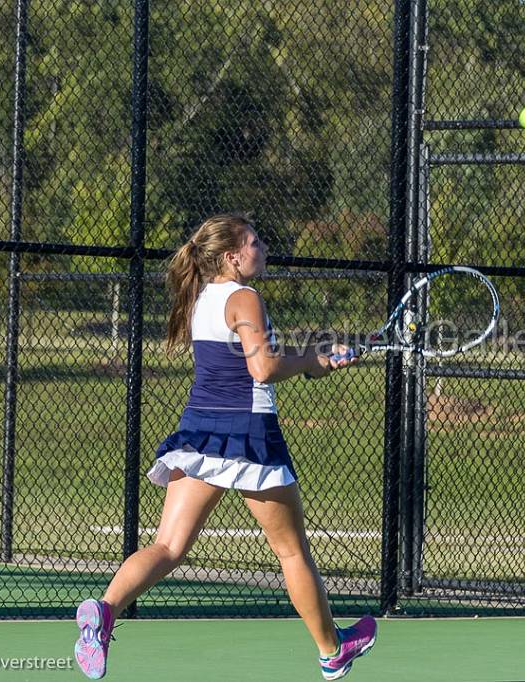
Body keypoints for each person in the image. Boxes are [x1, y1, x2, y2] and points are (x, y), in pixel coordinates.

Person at [73, 213, 377, 681]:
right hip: (249, 435)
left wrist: (315, 360)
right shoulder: (244, 298)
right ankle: (332, 651)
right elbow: (262, 370)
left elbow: (255, 364)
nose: (264, 247)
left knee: (169, 546)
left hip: (199, 432)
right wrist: (304, 361)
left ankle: (104, 611)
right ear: (233, 256)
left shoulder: (201, 299)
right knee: (292, 553)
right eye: (255, 241)